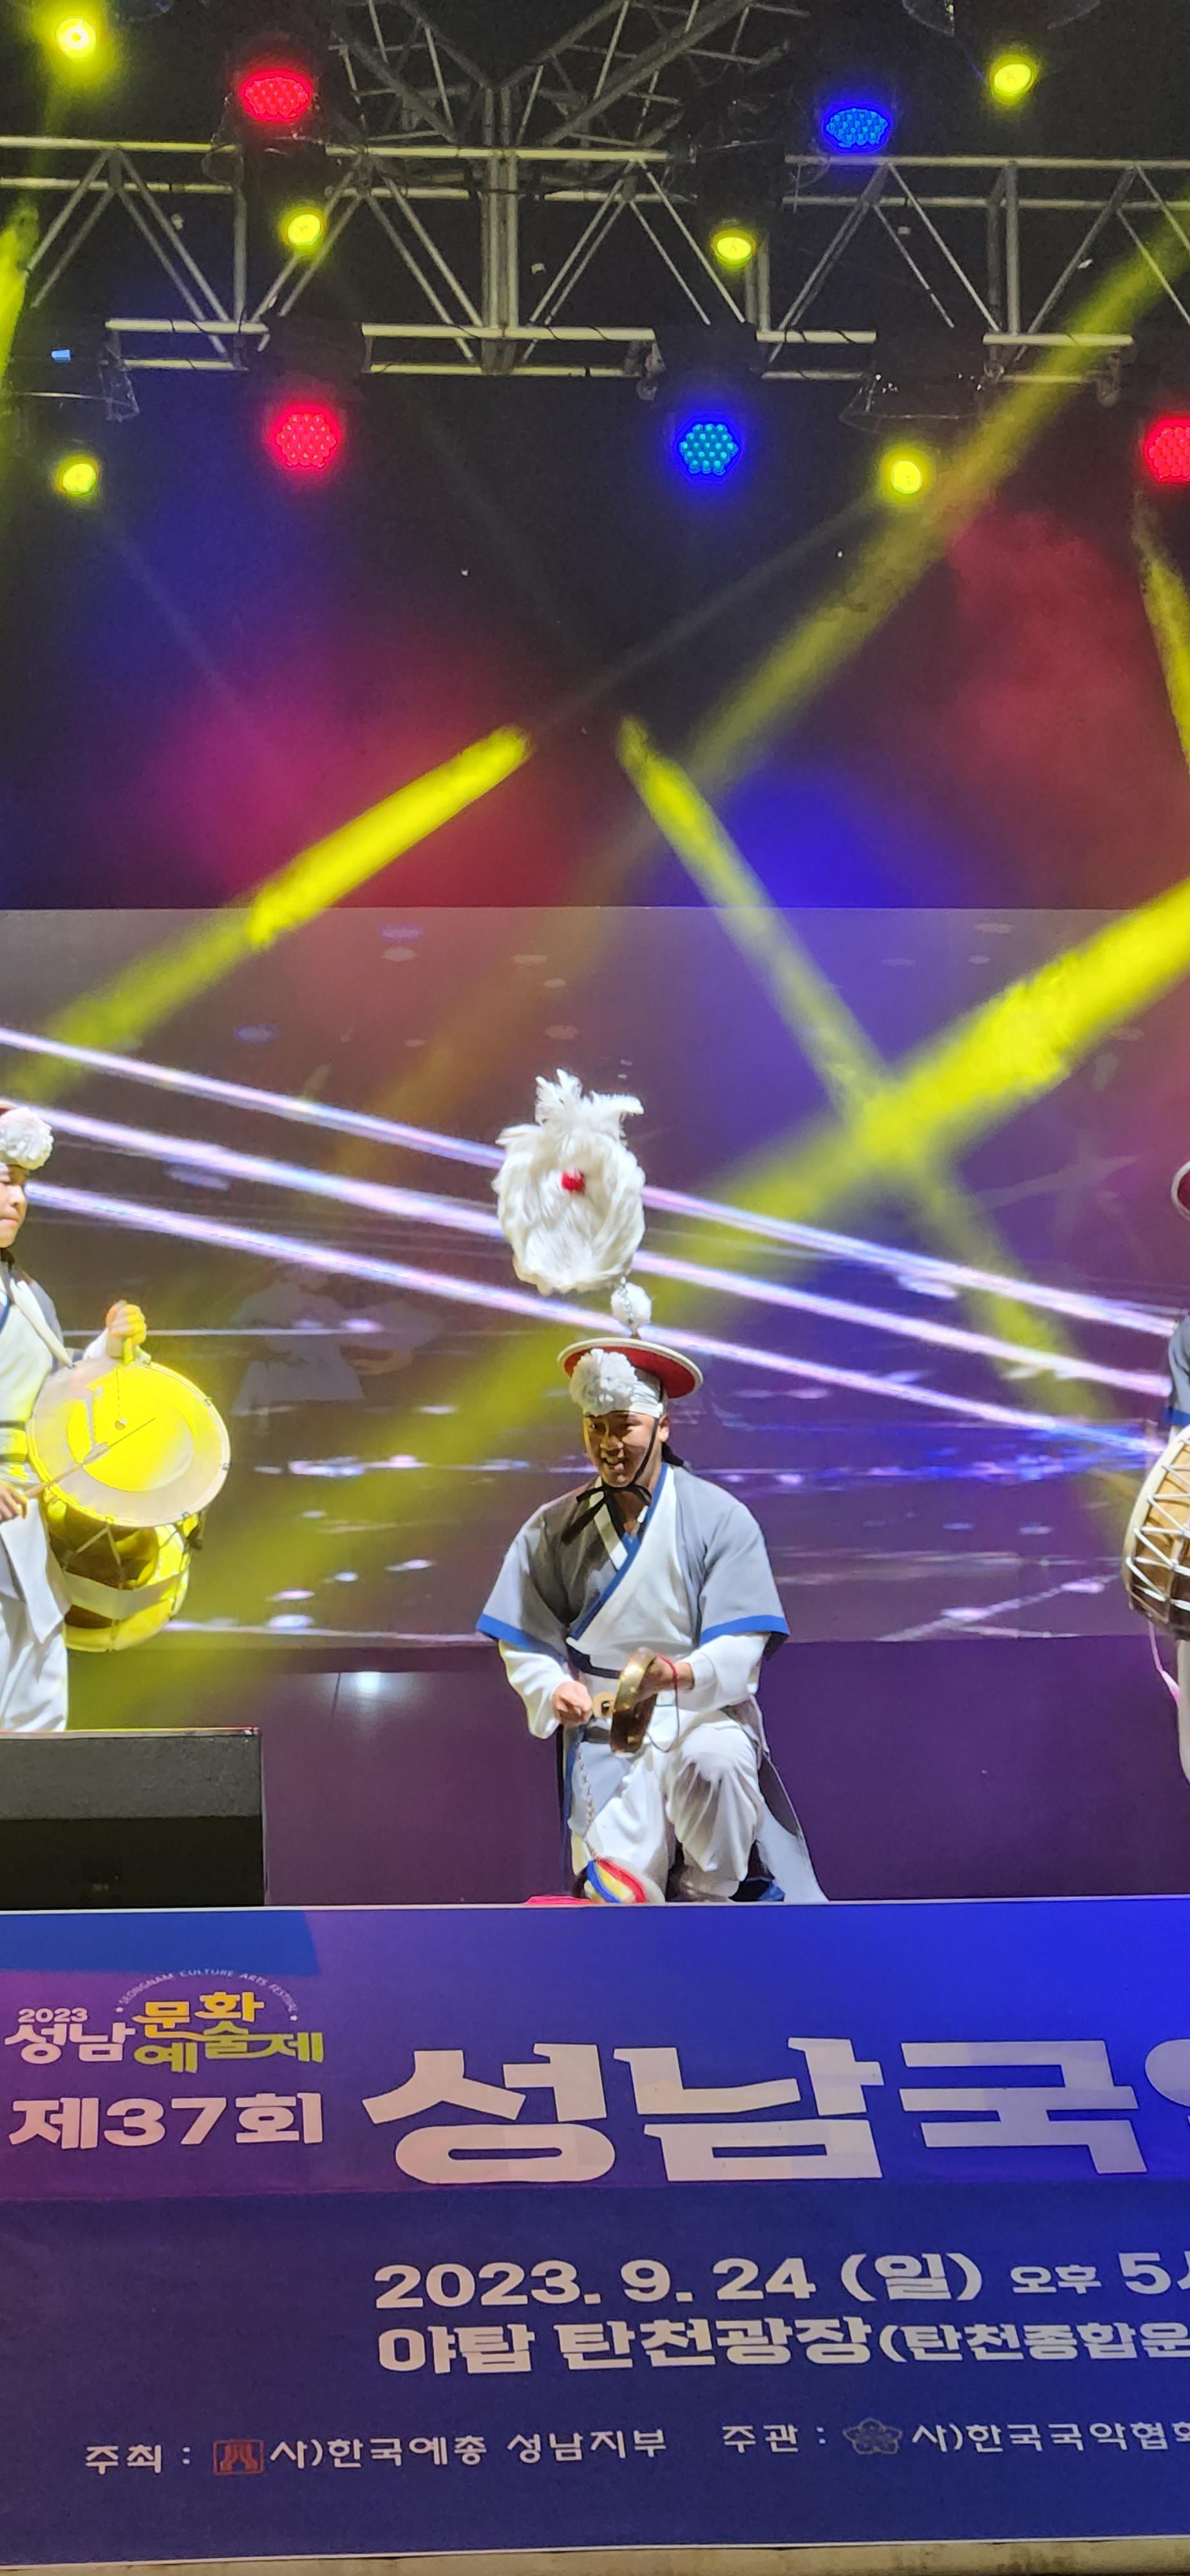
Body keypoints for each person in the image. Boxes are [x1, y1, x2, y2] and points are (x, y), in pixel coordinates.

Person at [478, 1326, 825, 1904]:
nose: (609, 1443)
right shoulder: (553, 1527)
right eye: (596, 1428)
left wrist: (678, 1674)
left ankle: (710, 1898)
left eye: (625, 1426)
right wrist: (552, 1686)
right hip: (606, 1729)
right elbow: (525, 1635)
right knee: (619, 1896)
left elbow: (742, 1640)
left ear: (663, 1425)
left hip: (702, 1714)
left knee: (714, 1766)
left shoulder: (720, 1518)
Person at [0, 1106, 146, 1733]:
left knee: (35, 1726)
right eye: (3, 1181)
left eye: (22, 1185)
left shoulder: (26, 1294)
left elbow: (53, 1401)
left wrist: (109, 1352)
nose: (16, 1199)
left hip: (21, 1529)